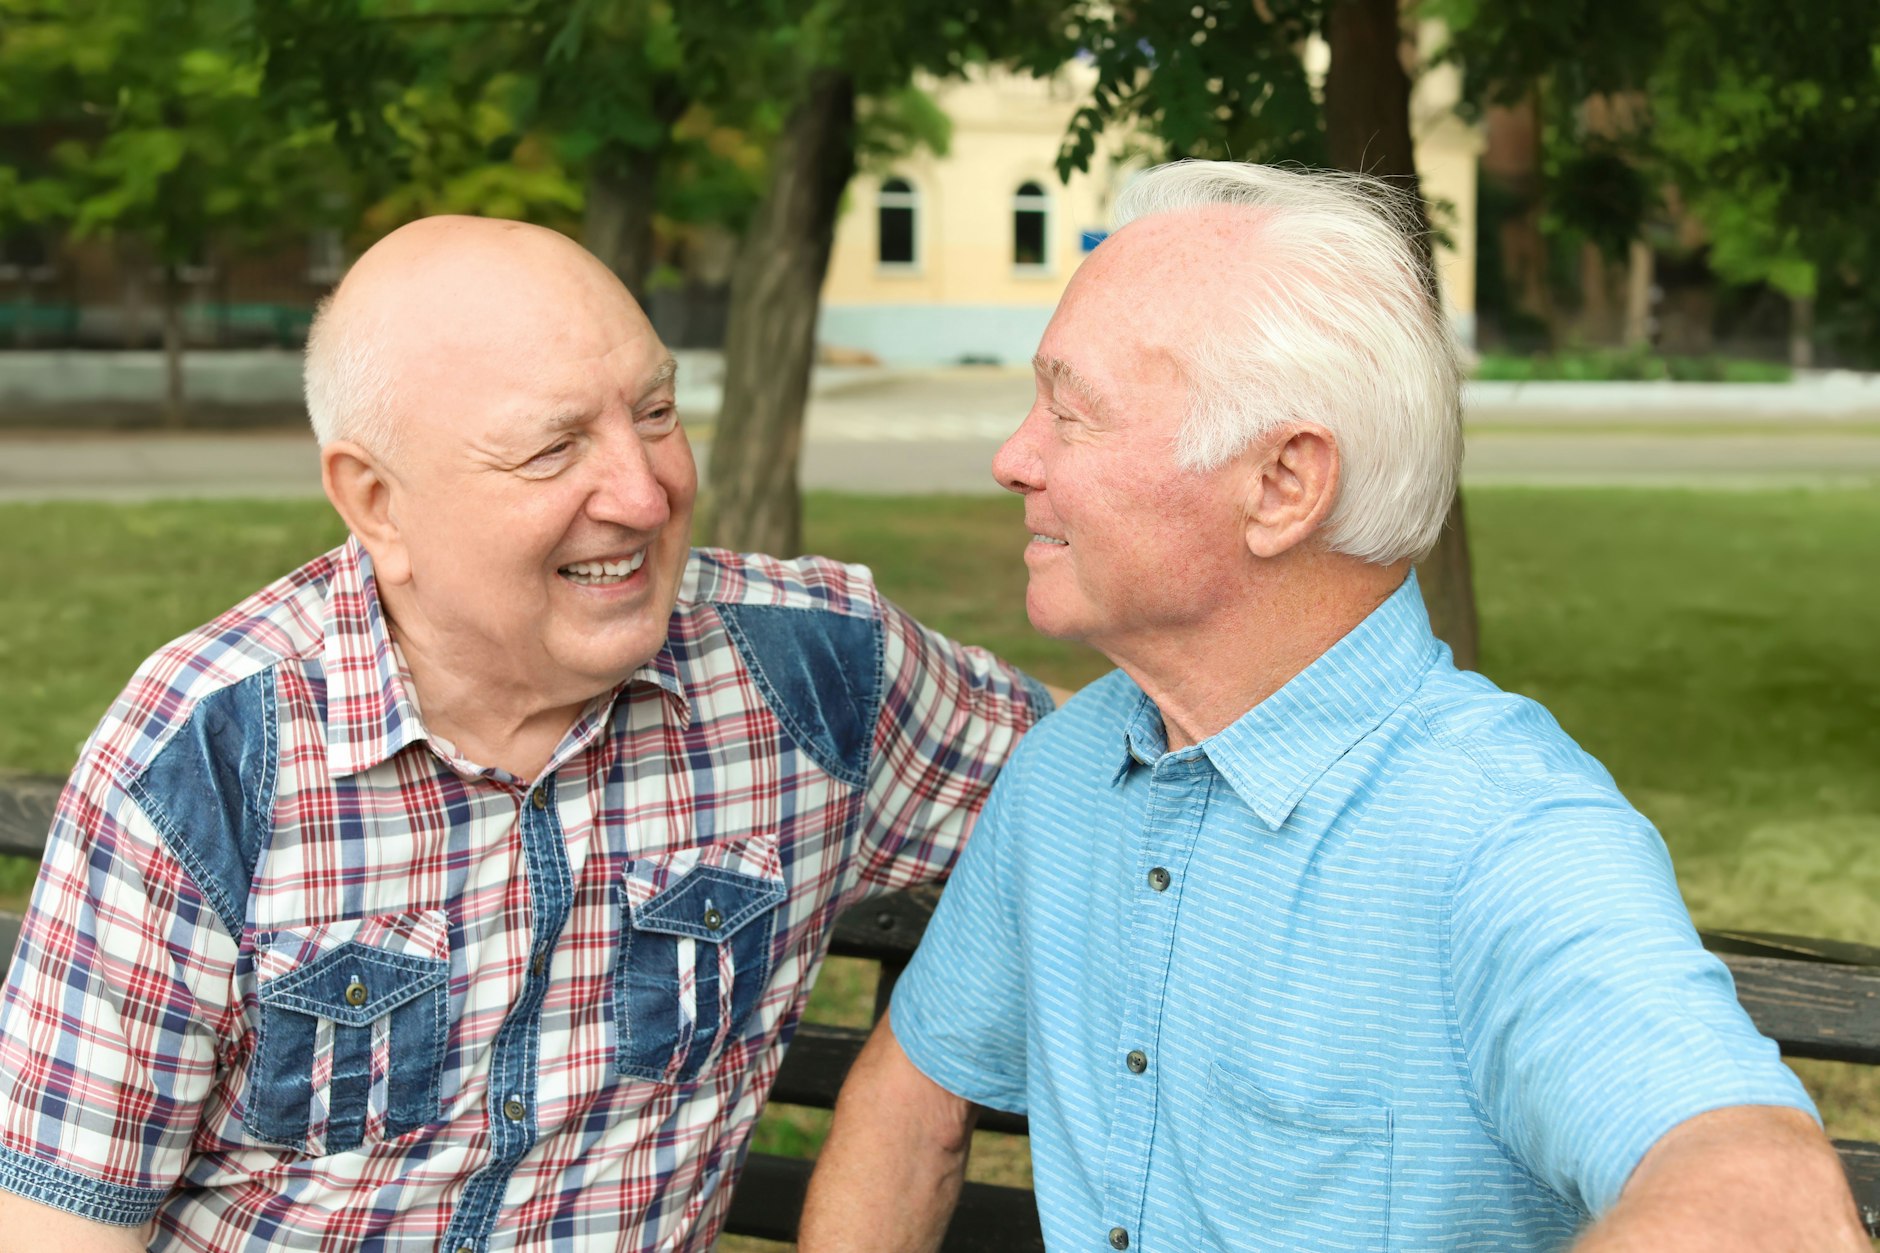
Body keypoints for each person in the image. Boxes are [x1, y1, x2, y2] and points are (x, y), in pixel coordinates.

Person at [800, 161, 1866, 1252]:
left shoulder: (1502, 832)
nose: (1011, 456)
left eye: (1072, 413)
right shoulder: (1068, 766)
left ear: (1281, 485)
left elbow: (1768, 1206)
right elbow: (909, 1093)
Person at [0, 217, 1052, 1250]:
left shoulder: (812, 678)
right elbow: (57, 1220)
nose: (644, 494)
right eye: (552, 448)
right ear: (376, 501)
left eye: (653, 411)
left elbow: (1126, 772)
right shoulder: (211, 756)